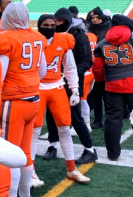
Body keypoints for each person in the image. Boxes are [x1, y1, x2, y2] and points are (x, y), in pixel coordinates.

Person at [0, 2, 47, 197]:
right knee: (24, 151)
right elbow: (41, 70)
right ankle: (25, 194)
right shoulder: (36, 38)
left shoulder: (4, 40)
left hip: (13, 102)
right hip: (33, 100)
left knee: (9, 154)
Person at [30, 15, 90, 189]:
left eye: (52, 24)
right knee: (34, 130)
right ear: (39, 26)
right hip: (38, 88)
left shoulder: (63, 40)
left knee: (64, 126)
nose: (49, 27)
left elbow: (70, 68)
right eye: (45, 24)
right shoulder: (34, 41)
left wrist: (75, 90)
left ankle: (71, 169)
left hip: (56, 86)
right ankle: (31, 171)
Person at [44, 8, 97, 165]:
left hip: (71, 82)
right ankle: (52, 145)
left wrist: (70, 75)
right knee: (51, 116)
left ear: (67, 21)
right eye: (56, 21)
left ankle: (89, 149)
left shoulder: (79, 36)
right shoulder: (50, 37)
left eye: (61, 21)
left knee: (75, 117)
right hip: (53, 82)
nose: (57, 24)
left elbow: (87, 60)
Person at [93, 15, 133, 161]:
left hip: (112, 86)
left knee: (113, 120)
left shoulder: (102, 43)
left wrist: (102, 81)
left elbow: (97, 68)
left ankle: (113, 153)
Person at [87, 7, 111, 129]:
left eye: (97, 17)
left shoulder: (108, 29)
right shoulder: (88, 29)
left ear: (101, 18)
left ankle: (108, 119)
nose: (95, 20)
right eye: (93, 18)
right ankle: (97, 120)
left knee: (107, 95)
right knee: (95, 95)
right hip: (92, 66)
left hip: (105, 65)